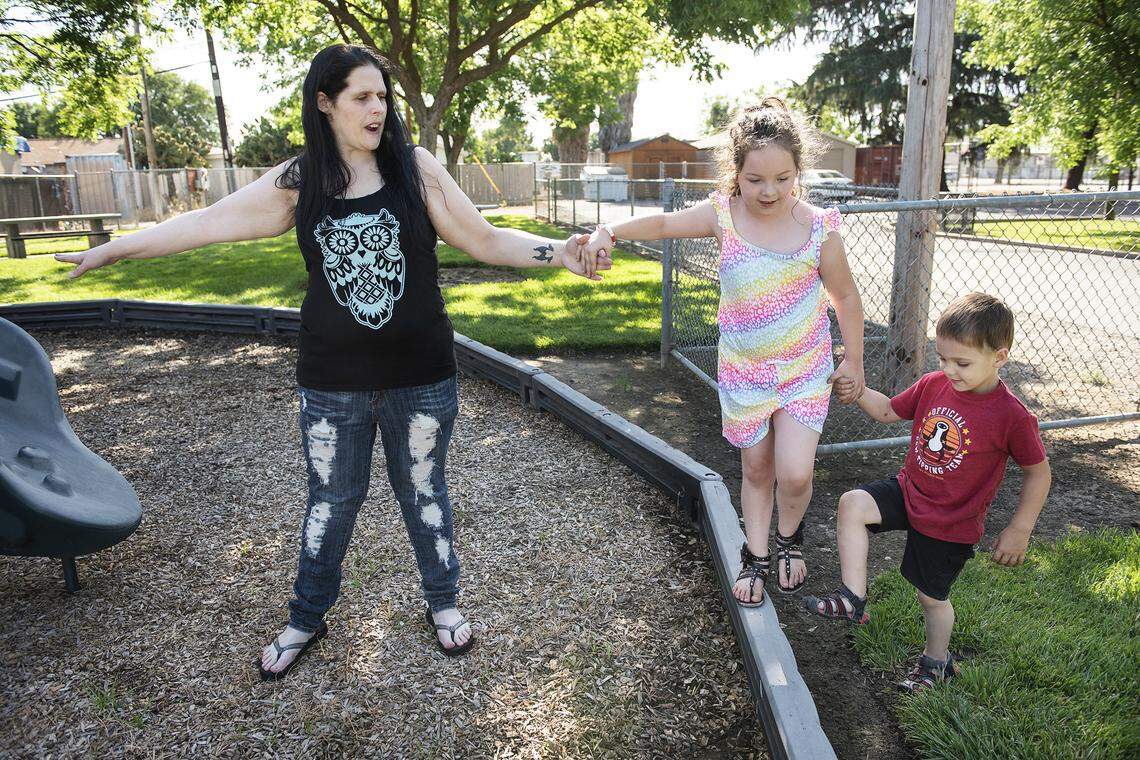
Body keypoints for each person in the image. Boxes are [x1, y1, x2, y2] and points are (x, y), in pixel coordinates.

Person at [55, 44, 609, 679]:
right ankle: (306, 616)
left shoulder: (415, 167)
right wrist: (117, 250)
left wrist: (559, 251)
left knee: (424, 492)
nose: (378, 109)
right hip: (332, 386)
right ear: (325, 103)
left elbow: (483, 238)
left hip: (421, 377)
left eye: (383, 97)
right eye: (361, 98)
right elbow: (207, 223)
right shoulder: (301, 180)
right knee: (331, 501)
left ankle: (444, 603)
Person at [581, 97, 865, 607]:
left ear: (798, 170)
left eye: (782, 177)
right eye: (756, 179)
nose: (769, 190)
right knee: (757, 468)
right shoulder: (722, 216)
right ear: (736, 172)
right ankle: (755, 557)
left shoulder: (820, 228)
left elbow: (845, 297)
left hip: (804, 371)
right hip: (744, 375)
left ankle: (789, 540)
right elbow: (666, 225)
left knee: (796, 472)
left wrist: (855, 360)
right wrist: (610, 231)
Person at [807, 292, 1051, 692]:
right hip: (910, 490)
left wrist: (1020, 529)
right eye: (942, 359)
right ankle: (853, 598)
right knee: (853, 504)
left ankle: (936, 662)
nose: (949, 370)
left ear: (1000, 358)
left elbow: (1038, 474)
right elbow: (889, 411)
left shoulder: (1012, 416)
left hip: (951, 521)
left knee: (930, 596)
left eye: (962, 362)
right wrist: (858, 391)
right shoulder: (934, 384)